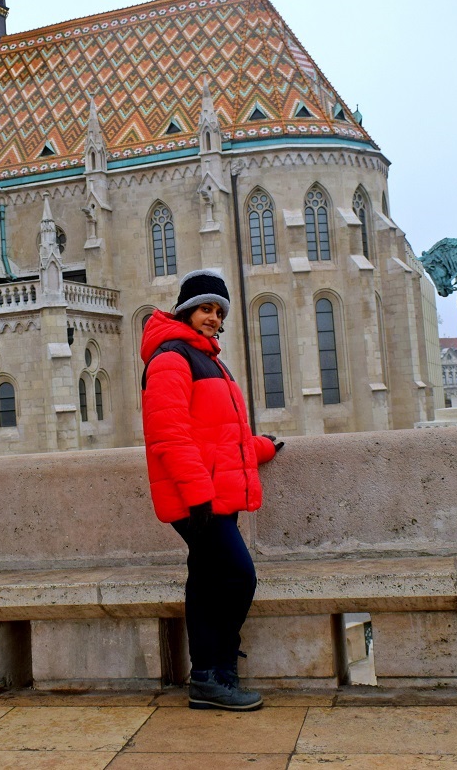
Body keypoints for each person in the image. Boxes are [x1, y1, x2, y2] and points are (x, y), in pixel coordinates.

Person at [140, 269, 284, 711]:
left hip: (210, 492)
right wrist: (198, 495)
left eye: (219, 311)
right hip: (198, 499)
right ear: (187, 310)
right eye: (206, 308)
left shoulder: (206, 358)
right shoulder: (171, 358)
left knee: (205, 582)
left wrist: (259, 448)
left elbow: (216, 434)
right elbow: (169, 436)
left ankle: (208, 678)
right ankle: (216, 671)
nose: (214, 318)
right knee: (239, 576)